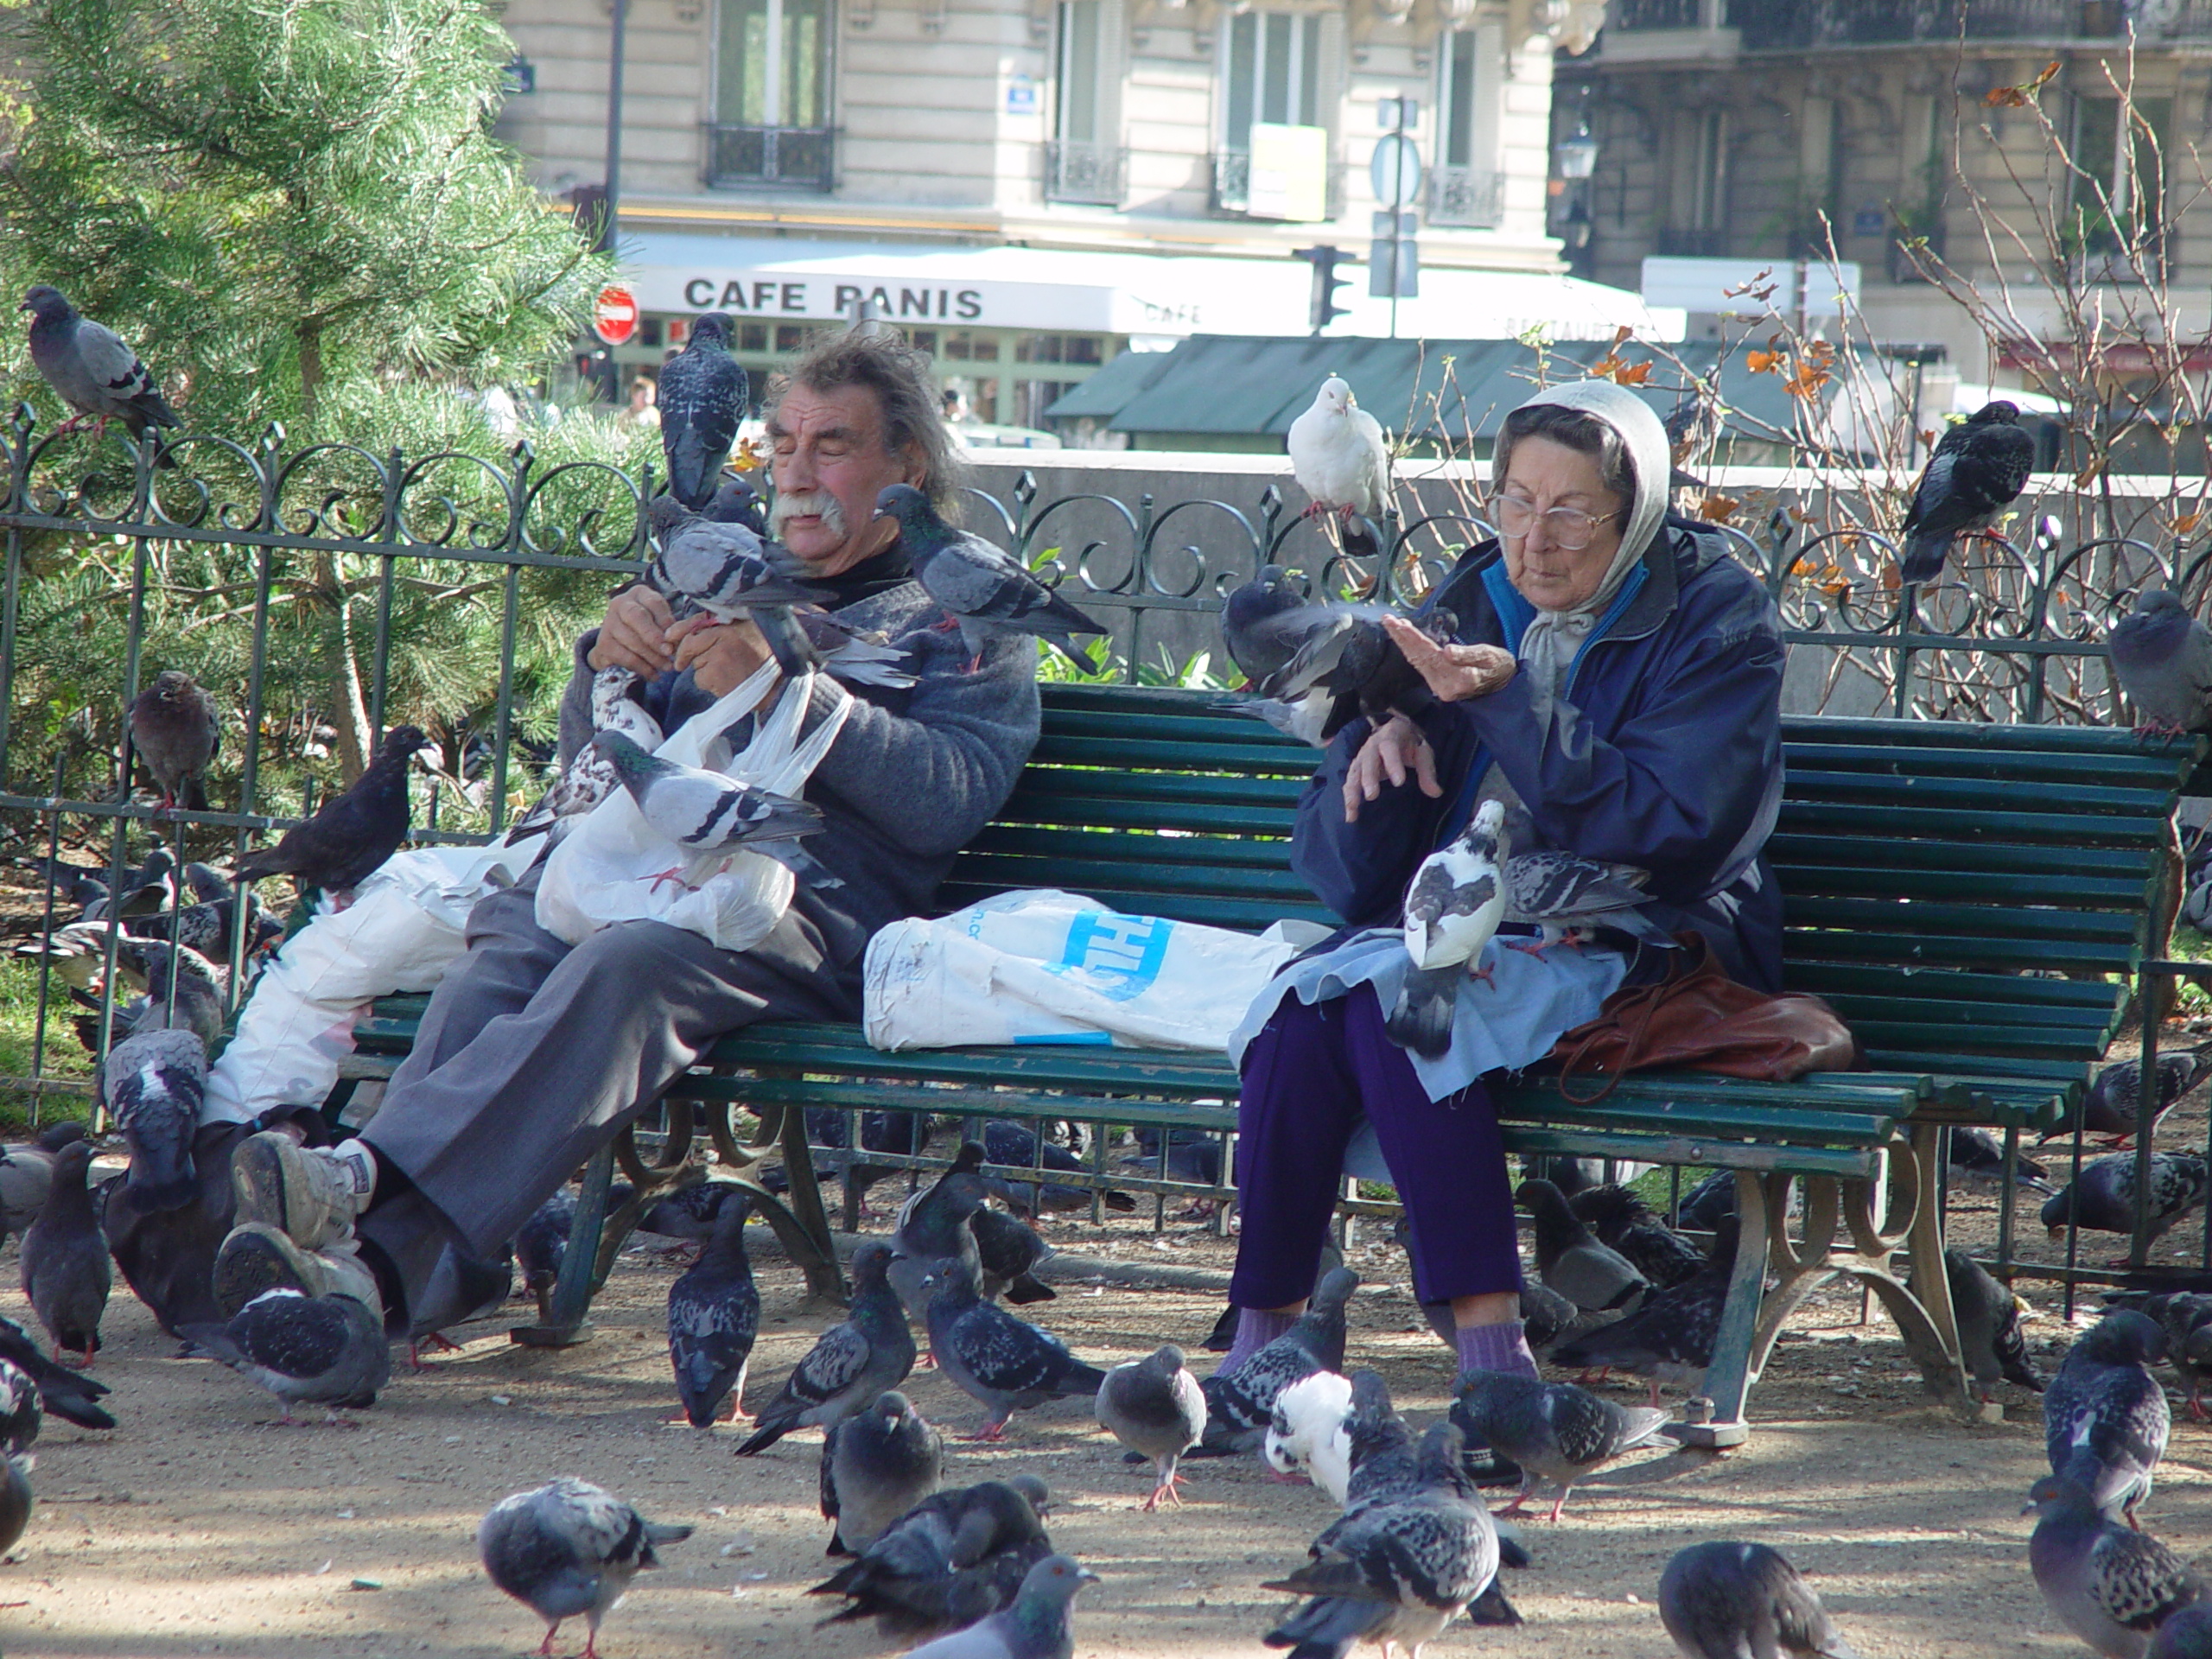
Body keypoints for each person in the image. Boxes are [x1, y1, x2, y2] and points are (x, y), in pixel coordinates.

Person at [207, 330, 1043, 1337]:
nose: (796, 470)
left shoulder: (961, 616)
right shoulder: (722, 574)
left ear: (905, 465)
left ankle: (361, 1185)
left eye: (832, 445)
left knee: (631, 964)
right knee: (509, 946)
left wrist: (791, 693)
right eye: (781, 443)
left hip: (811, 913)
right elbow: (588, 771)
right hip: (653, 874)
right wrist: (605, 660)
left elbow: (949, 797)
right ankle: (385, 1285)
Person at [1218, 380, 1786, 1382]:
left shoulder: (1713, 615)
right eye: (1516, 503)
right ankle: (1263, 1349)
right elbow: (1351, 883)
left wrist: (1510, 705)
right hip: (1473, 924)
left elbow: (1680, 829)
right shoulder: (1477, 594)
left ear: (1638, 510)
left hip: (1647, 936)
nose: (1536, 541)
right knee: (1298, 1017)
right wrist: (1380, 751)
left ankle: (1491, 1356)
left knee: (1396, 1004)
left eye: (1572, 512)